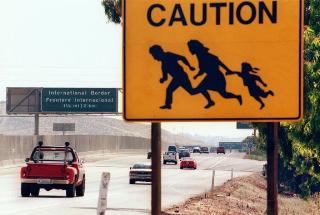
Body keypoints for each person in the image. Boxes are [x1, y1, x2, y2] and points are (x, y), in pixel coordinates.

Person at [149, 45, 214, 109]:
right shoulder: (163, 64)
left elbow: (182, 58)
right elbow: (165, 77)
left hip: (181, 76)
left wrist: (189, 66)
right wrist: (162, 80)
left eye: (154, 55)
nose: (154, 58)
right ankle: (168, 104)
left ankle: (204, 91)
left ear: (159, 52)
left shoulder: (169, 55)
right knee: (173, 90)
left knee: (190, 91)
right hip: (177, 78)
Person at [187, 40, 242, 107]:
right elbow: (203, 69)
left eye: (190, 48)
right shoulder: (199, 56)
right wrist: (197, 75)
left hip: (217, 76)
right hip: (210, 76)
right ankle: (210, 101)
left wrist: (228, 70)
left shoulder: (206, 55)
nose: (189, 50)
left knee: (224, 94)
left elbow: (219, 62)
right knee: (201, 89)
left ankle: (237, 97)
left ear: (195, 48)